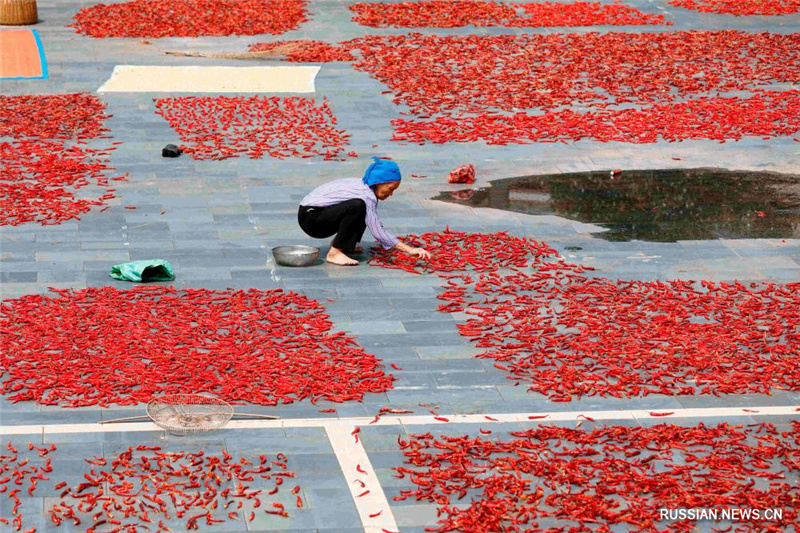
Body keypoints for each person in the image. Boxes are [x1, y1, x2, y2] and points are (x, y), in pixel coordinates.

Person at [298, 157, 432, 266]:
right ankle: (334, 253)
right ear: (380, 182)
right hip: (311, 219)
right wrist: (410, 249)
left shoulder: (364, 185)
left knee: (363, 209)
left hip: (310, 213)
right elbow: (377, 231)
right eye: (390, 188)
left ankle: (343, 244)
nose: (391, 194)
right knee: (357, 206)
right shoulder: (366, 195)